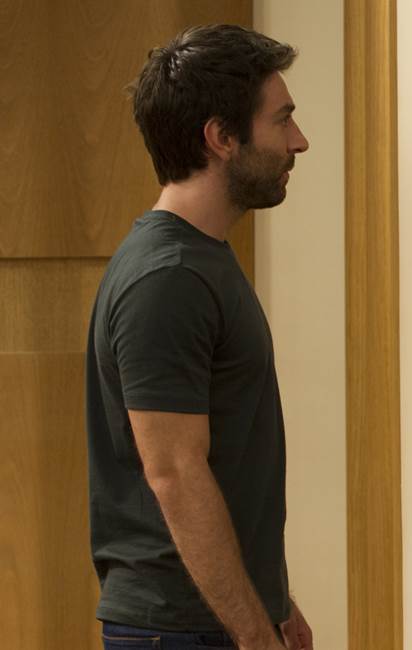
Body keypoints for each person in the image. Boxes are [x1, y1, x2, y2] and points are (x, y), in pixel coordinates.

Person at [85, 24, 311, 650]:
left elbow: (223, 466)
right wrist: (254, 635)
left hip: (210, 619)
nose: (299, 140)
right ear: (221, 138)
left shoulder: (198, 259)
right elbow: (175, 474)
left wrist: (274, 599)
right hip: (182, 629)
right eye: (281, 120)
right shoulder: (169, 276)